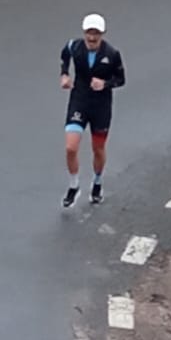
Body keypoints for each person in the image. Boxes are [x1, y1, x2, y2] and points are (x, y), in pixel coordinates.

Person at [60, 13, 125, 207]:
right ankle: (74, 186)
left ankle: (97, 183)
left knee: (98, 149)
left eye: (96, 33)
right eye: (89, 33)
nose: (92, 37)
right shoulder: (75, 46)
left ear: (102, 34)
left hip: (100, 106)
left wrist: (104, 84)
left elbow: (121, 79)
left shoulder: (112, 54)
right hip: (79, 101)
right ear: (84, 32)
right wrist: (64, 74)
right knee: (71, 147)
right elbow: (65, 54)